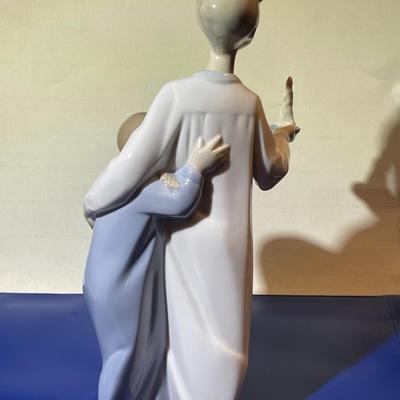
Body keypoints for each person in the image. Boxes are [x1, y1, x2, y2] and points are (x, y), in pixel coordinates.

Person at [84, 1, 299, 398]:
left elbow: (133, 161)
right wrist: (283, 133)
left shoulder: (177, 95)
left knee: (181, 334)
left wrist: (94, 202)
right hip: (231, 240)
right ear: (250, 35)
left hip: (183, 236)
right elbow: (271, 171)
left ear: (200, 18)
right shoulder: (249, 103)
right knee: (225, 339)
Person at [84, 136, 229, 400]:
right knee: (124, 351)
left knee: (130, 347)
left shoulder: (114, 184)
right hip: (118, 286)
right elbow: (180, 202)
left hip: (103, 282)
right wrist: (195, 167)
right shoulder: (139, 190)